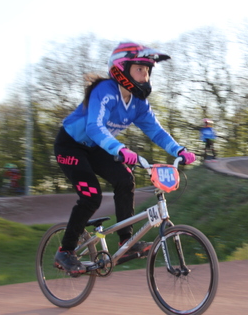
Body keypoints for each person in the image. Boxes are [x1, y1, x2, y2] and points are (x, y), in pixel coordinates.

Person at [54, 41, 196, 274]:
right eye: (140, 69)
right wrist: (120, 149)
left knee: (125, 180)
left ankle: (126, 243)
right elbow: (94, 127)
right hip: (71, 146)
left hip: (98, 147)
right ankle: (65, 251)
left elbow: (156, 131)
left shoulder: (139, 103)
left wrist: (179, 150)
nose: (145, 75)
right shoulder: (105, 92)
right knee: (91, 196)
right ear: (121, 68)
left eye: (148, 70)